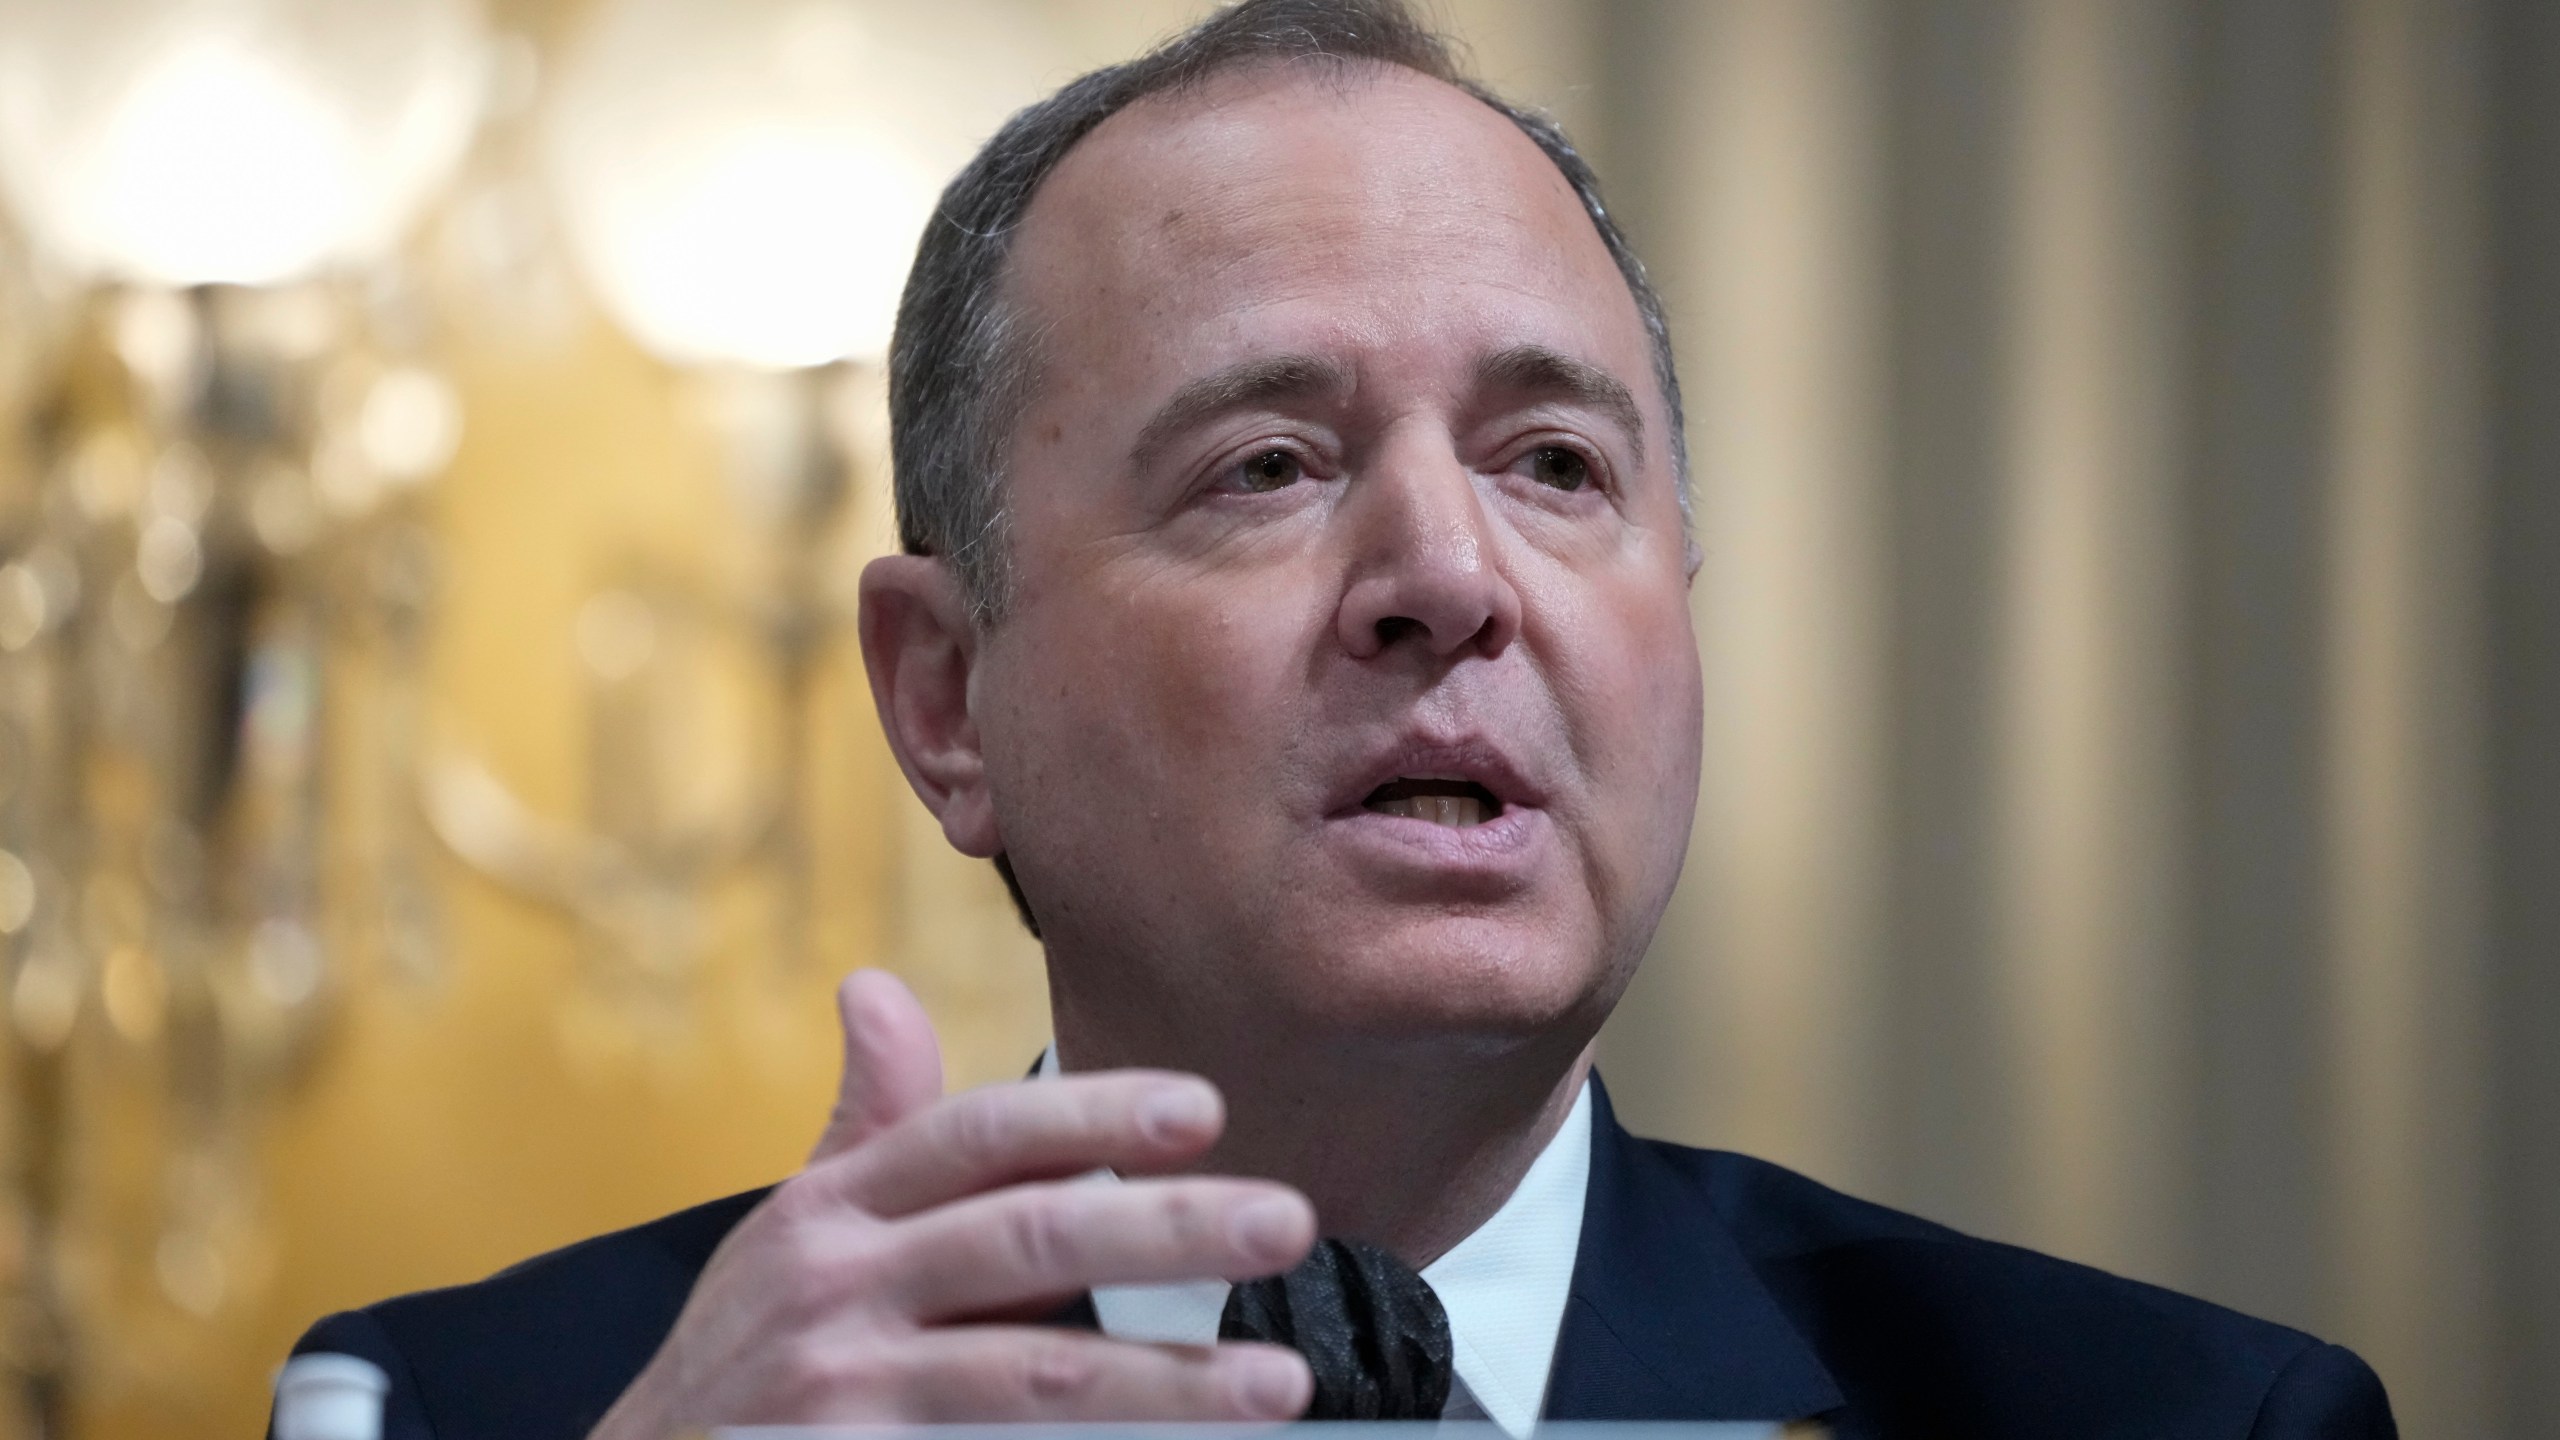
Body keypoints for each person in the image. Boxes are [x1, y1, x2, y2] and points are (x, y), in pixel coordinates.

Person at [280, 1, 2398, 1436]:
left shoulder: (2181, 1421)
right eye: (1269, 467)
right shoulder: (476, 1409)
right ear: (946, 701)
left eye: (1554, 464)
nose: (1449, 578)